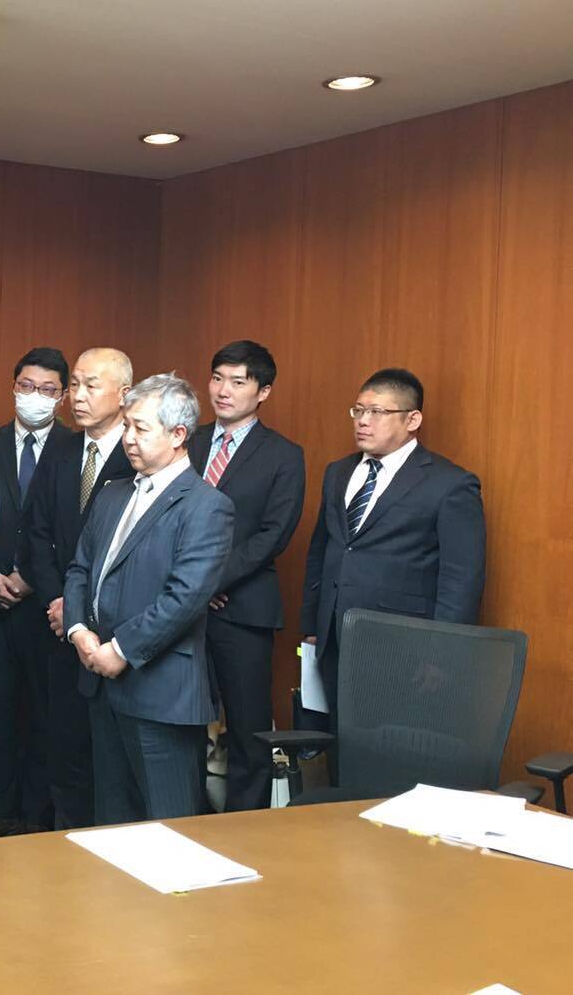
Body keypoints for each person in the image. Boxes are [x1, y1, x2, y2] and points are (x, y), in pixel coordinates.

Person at [64, 373, 234, 825]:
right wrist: (78, 631)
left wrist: (119, 650)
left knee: (167, 828)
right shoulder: (113, 493)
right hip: (101, 683)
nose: (128, 438)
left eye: (140, 428)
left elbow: (184, 597)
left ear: (178, 435)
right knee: (112, 823)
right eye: (126, 426)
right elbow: (80, 568)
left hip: (161, 692)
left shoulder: (206, 506)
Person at [301, 367, 486, 718]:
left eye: (377, 412)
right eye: (358, 410)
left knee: (389, 741)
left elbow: (462, 580)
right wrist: (312, 625)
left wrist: (442, 655)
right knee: (338, 738)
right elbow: (320, 551)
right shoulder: (338, 472)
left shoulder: (450, 484)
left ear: (412, 419)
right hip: (334, 637)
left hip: (402, 646)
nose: (363, 421)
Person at [187, 340, 305, 811]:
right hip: (180, 609)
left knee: (247, 728)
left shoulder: (284, 455)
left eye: (238, 382)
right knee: (183, 725)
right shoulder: (185, 440)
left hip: (242, 609)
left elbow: (273, 535)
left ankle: (243, 830)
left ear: (263, 391)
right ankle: (186, 818)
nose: (223, 390)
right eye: (217, 378)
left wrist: (209, 581)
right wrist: (191, 587)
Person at [0, 347, 72, 840]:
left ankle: (38, 814)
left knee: (48, 716)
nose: (35, 396)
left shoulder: (76, 449)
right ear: (13, 387)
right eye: (27, 386)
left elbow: (77, 531)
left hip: (49, 604)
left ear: (63, 397)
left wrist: (33, 577)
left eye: (48, 390)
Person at [27, 347, 134, 828]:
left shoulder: (139, 454)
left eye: (92, 385)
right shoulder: (61, 450)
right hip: (58, 625)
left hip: (113, 632)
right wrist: (61, 604)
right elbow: (37, 533)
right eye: (74, 385)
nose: (78, 395)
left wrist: (83, 613)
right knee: (62, 745)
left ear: (124, 394)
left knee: (110, 757)